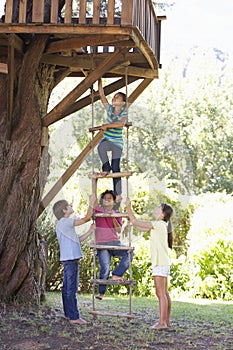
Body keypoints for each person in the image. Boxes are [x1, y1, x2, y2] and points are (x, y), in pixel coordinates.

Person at [126, 199, 173, 329]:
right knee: (164, 293)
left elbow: (135, 221)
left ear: (163, 214)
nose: (156, 207)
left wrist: (128, 207)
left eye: (159, 206)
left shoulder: (159, 224)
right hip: (162, 263)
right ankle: (166, 321)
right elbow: (137, 225)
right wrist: (131, 218)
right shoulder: (160, 225)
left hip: (160, 263)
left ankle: (162, 323)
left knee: (160, 293)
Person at [52, 195, 96, 325]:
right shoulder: (65, 222)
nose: (71, 207)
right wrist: (91, 203)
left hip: (69, 259)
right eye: (69, 205)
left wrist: (90, 231)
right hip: (71, 259)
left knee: (67, 288)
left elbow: (77, 240)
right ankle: (74, 317)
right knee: (71, 288)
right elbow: (87, 218)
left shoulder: (63, 225)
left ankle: (68, 314)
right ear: (64, 210)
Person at [94, 190, 134, 300]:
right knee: (105, 268)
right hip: (101, 243)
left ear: (113, 201)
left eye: (109, 198)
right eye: (105, 198)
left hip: (114, 242)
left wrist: (113, 216)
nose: (106, 199)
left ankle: (117, 274)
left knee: (129, 252)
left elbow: (118, 229)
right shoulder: (98, 209)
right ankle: (101, 292)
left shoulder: (117, 212)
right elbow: (92, 200)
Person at [97, 78, 127, 203]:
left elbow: (121, 124)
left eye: (117, 97)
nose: (114, 98)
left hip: (117, 143)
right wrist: (99, 80)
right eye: (114, 96)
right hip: (108, 139)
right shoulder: (109, 109)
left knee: (116, 167)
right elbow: (102, 96)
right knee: (100, 148)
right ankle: (105, 166)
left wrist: (107, 126)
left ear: (123, 103)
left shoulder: (124, 112)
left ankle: (117, 193)